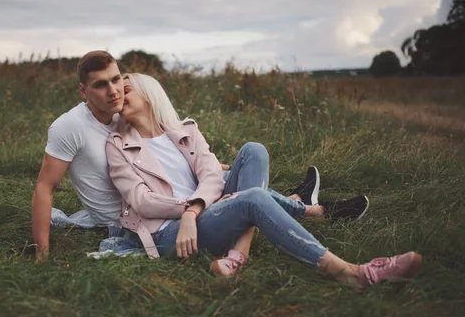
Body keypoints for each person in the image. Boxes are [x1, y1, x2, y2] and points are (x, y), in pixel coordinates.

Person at [31, 50, 367, 261]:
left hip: (182, 199)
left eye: (118, 81)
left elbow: (167, 154)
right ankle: (305, 207)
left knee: (249, 155)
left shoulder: (122, 115)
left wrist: (214, 168)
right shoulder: (79, 129)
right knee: (232, 190)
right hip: (133, 220)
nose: (115, 91)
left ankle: (280, 217)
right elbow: (45, 188)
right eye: (102, 85)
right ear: (84, 91)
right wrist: (43, 255)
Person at [105, 72, 422, 287]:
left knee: (253, 151)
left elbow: (211, 174)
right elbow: (142, 201)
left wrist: (199, 207)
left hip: (202, 212)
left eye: (127, 89)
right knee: (254, 197)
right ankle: (351, 272)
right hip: (169, 232)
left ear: (150, 95)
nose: (119, 94)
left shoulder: (186, 131)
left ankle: (237, 255)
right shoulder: (117, 146)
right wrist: (191, 210)